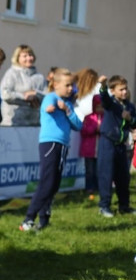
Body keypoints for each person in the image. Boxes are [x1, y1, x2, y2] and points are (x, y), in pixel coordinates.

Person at [19, 68, 82, 231]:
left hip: (62, 145)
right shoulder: (51, 97)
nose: (71, 89)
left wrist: (67, 110)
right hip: (50, 144)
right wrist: (51, 108)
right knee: (47, 183)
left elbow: (78, 125)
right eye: (67, 85)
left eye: (72, 85)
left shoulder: (67, 104)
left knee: (54, 184)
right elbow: (47, 106)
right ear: (56, 85)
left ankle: (44, 219)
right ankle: (28, 219)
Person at [96, 75, 136, 217]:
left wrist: (130, 118)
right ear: (113, 91)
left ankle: (124, 205)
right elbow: (104, 98)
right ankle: (104, 206)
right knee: (106, 175)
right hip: (108, 142)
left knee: (123, 177)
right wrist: (103, 86)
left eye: (125, 89)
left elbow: (134, 123)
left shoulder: (129, 106)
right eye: (121, 89)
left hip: (121, 144)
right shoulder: (111, 103)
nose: (124, 92)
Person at [0, 44, 46, 126]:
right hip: (12, 123)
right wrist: (24, 96)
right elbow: (5, 93)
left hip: (34, 123)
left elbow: (47, 96)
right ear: (17, 58)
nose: (29, 58)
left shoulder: (39, 77)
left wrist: (36, 94)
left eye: (30, 55)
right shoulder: (11, 73)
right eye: (25, 56)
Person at [79, 94, 103, 199]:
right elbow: (83, 131)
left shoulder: (106, 117)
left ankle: (98, 187)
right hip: (89, 149)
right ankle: (89, 187)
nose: (100, 109)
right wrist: (94, 128)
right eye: (98, 107)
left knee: (99, 170)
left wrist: (102, 129)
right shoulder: (89, 118)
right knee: (90, 170)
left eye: (102, 107)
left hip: (101, 149)